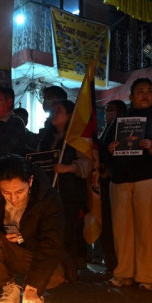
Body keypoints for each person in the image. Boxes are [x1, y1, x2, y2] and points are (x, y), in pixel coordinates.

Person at [0, 154, 67, 303]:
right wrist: (2, 235)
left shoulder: (48, 199)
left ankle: (28, 287)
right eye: (6, 193)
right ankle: (10, 287)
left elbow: (51, 243)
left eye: (19, 192)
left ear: (30, 181)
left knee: (55, 275)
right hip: (9, 252)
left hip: (35, 255)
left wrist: (34, 286)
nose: (13, 198)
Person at [101, 78, 152, 291]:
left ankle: (148, 275)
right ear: (130, 97)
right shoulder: (119, 121)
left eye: (149, 91)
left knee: (148, 229)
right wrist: (110, 150)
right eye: (140, 91)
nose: (145, 95)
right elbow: (102, 149)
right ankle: (124, 273)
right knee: (122, 230)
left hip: (148, 178)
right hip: (120, 180)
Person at [38, 99, 91, 275]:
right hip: (48, 193)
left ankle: (69, 269)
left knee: (68, 231)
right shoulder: (46, 138)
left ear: (69, 116)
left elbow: (87, 165)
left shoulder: (76, 140)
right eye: (52, 111)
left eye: (58, 111)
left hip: (69, 194)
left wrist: (68, 168)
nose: (53, 114)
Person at [96, 99, 128, 279]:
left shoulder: (121, 128)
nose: (108, 112)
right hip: (104, 182)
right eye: (107, 109)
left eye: (112, 110)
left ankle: (116, 264)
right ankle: (110, 263)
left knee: (113, 225)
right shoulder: (106, 130)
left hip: (114, 181)